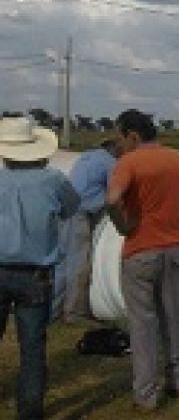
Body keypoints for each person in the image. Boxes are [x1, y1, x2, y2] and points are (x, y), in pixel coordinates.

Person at [106, 109, 179, 411]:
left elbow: (111, 199)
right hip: (174, 248)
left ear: (132, 135)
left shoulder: (128, 163)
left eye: (119, 137)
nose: (118, 144)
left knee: (143, 324)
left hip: (140, 252)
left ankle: (146, 394)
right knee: (172, 316)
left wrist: (123, 226)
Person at [0, 115, 81, 420]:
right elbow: (71, 207)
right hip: (35, 274)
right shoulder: (54, 180)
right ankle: (30, 412)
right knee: (32, 348)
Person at [61, 138, 119, 325]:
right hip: (81, 212)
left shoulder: (87, 157)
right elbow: (116, 193)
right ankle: (75, 311)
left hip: (67, 208)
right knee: (80, 263)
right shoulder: (110, 163)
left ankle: (54, 308)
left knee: (64, 261)